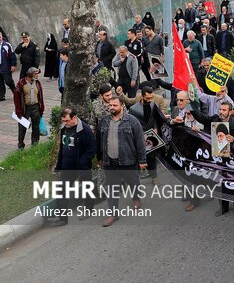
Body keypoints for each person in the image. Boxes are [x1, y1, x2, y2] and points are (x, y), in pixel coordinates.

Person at [96, 96, 147, 227]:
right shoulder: (104, 121)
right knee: (112, 187)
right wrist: (100, 158)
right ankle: (113, 214)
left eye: (114, 105)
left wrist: (142, 160)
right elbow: (99, 140)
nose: (111, 108)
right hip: (110, 161)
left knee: (133, 182)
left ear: (122, 106)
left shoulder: (132, 121)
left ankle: (136, 198)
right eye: (110, 105)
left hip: (128, 160)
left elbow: (140, 142)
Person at [50, 108, 97, 224]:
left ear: (74, 117)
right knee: (61, 190)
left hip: (82, 167)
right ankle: (61, 218)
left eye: (67, 120)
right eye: (63, 121)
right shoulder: (63, 128)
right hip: (67, 166)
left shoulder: (85, 130)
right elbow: (62, 148)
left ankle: (89, 209)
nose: (65, 123)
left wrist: (82, 162)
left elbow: (92, 149)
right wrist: (59, 164)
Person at [127, 86, 167, 186]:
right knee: (138, 158)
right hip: (139, 136)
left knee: (151, 157)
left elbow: (158, 117)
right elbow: (131, 124)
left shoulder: (153, 105)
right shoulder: (133, 109)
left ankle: (154, 177)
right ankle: (135, 182)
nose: (149, 100)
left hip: (151, 135)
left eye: (151, 98)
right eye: (147, 98)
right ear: (142, 96)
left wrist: (156, 127)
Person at [14, 67, 44, 150]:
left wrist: (41, 109)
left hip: (35, 107)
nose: (37, 75)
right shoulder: (21, 83)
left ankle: (34, 146)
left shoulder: (38, 83)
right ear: (31, 74)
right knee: (22, 129)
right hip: (25, 109)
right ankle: (21, 146)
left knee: (36, 128)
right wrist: (19, 112)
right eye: (36, 74)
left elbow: (41, 96)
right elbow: (16, 99)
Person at [0, 31, 17, 101]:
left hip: (6, 66)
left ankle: (16, 93)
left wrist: (13, 65)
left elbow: (12, 55)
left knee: (8, 81)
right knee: (0, 82)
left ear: (1, 36)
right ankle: (1, 96)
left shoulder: (7, 45)